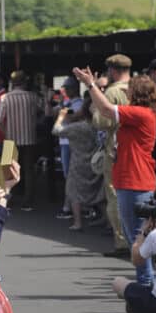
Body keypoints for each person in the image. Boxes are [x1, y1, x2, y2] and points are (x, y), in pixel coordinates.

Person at [74, 66, 156, 287]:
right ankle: (148, 280)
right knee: (137, 236)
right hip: (132, 179)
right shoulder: (142, 114)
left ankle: (147, 281)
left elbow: (106, 109)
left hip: (134, 181)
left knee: (137, 237)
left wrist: (90, 85)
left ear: (136, 93)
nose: (126, 93)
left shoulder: (140, 113)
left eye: (130, 90)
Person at [92, 54, 131, 257]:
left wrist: (96, 94)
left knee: (114, 193)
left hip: (114, 147)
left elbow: (101, 121)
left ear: (112, 71)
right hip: (136, 146)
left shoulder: (113, 92)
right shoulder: (138, 88)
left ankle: (121, 240)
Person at [51, 95, 104, 231]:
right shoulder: (100, 126)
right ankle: (107, 220)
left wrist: (61, 117)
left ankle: (77, 222)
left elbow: (56, 131)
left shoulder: (78, 127)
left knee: (74, 190)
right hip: (96, 161)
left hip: (78, 160)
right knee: (99, 191)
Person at [0, 70, 43, 211]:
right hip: (29, 137)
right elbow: (43, 111)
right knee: (28, 169)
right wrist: (34, 123)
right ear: (25, 82)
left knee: (7, 169)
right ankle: (28, 201)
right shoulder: (32, 97)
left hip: (10, 139)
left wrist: (6, 132)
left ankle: (7, 199)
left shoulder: (5, 98)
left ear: (12, 83)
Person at [54, 75, 84, 219]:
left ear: (73, 89)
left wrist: (62, 110)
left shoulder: (78, 104)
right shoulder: (68, 102)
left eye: (67, 88)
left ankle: (69, 207)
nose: (65, 91)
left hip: (71, 142)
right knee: (69, 176)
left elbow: (69, 117)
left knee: (71, 176)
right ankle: (70, 205)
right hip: (65, 142)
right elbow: (53, 112)